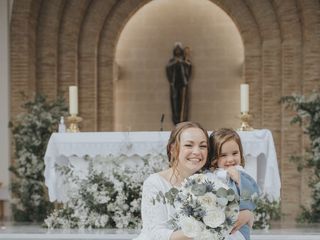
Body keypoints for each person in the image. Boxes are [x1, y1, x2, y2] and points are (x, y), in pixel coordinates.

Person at [134, 122, 254, 240]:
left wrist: (247, 214)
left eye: (202, 146)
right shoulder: (155, 183)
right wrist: (207, 230)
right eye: (189, 145)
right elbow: (155, 234)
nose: (197, 152)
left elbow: (240, 214)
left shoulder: (212, 180)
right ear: (173, 149)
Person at [207, 128, 261, 240]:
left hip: (238, 227)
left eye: (235, 153)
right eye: (223, 155)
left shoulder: (241, 173)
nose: (230, 159)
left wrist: (239, 180)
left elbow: (254, 196)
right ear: (214, 158)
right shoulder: (211, 174)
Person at [166, 43, 192, 125]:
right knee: (175, 103)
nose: (177, 52)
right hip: (174, 85)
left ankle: (182, 119)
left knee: (183, 103)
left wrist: (183, 62)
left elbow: (189, 67)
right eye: (176, 50)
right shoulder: (172, 61)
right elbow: (168, 68)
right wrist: (176, 62)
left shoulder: (184, 60)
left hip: (183, 84)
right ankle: (176, 120)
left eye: (178, 50)